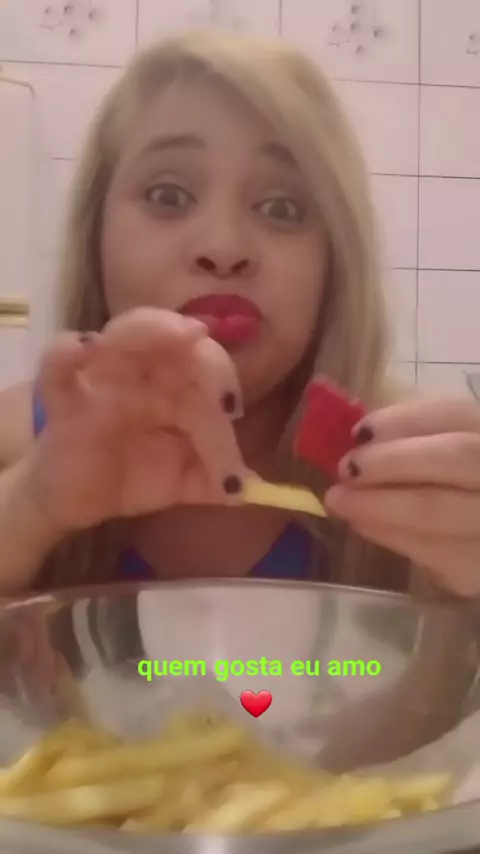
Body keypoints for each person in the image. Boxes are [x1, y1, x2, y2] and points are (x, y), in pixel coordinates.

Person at [0, 29, 479, 599]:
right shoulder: (14, 442)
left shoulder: (419, 466)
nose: (224, 247)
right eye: (168, 195)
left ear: (335, 261)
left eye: (282, 207)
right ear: (94, 234)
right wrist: (29, 509)